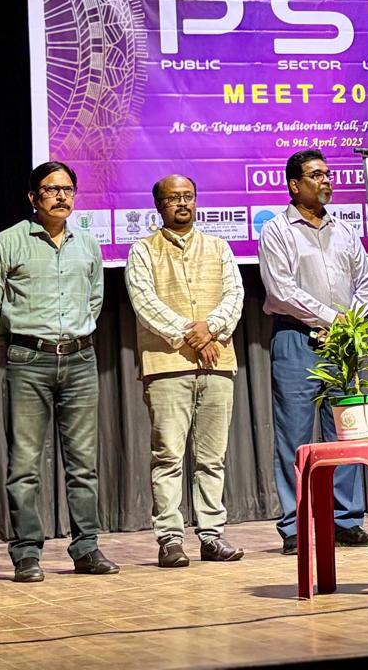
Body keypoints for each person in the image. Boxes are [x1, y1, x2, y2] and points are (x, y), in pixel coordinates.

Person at [0, 161, 118, 582]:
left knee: (83, 464)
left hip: (80, 360)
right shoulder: (7, 243)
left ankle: (87, 548)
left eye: (67, 189)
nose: (61, 196)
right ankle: (26, 553)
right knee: (24, 465)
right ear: (33, 197)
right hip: (28, 360)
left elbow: (94, 300)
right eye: (51, 189)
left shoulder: (87, 244)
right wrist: (22, 343)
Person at [259, 149, 368, 555]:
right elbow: (282, 290)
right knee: (294, 437)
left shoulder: (344, 230)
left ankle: (346, 521)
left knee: (345, 432)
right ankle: (294, 526)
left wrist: (346, 324)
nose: (326, 180)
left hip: (343, 343)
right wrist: (332, 318)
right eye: (316, 175)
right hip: (297, 339)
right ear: (295, 185)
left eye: (328, 174)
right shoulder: (276, 230)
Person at [125, 174, 246, 568]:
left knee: (212, 457)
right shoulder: (143, 251)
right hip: (167, 365)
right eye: (173, 198)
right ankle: (170, 539)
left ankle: (212, 536)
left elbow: (235, 296)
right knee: (169, 457)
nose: (182, 203)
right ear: (159, 205)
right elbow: (145, 302)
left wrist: (211, 329)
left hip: (217, 362)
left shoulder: (219, 247)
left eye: (188, 196)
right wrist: (193, 335)